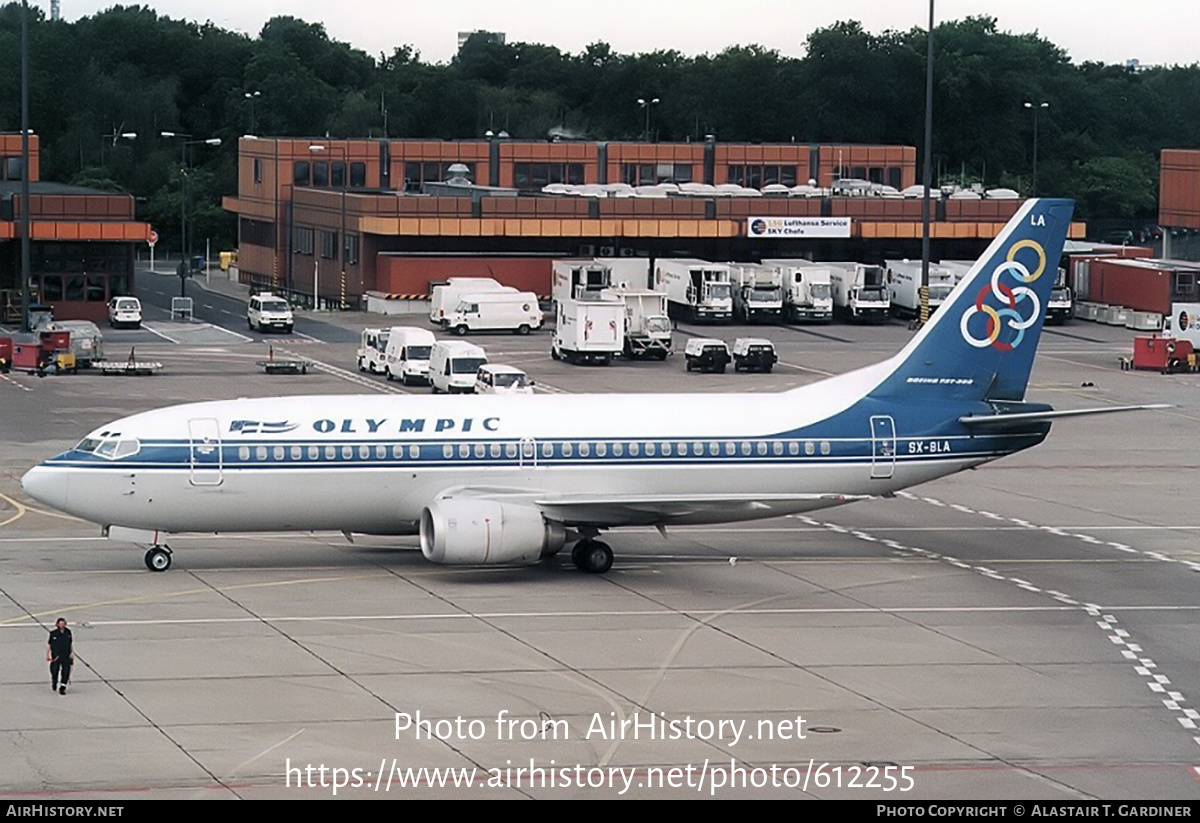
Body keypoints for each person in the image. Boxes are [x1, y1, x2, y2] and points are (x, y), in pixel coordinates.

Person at [46, 618, 73, 695]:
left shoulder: (68, 632)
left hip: (66, 655)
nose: (62, 625)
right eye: (60, 623)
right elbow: (49, 645)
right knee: (54, 671)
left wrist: (72, 654)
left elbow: (70, 644)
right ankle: (54, 682)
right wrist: (48, 655)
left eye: (63, 623)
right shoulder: (53, 633)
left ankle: (63, 687)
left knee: (66, 671)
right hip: (56, 656)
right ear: (57, 624)